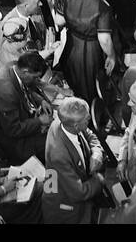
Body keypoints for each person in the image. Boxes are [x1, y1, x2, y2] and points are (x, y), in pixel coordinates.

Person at [41, 96, 107, 225]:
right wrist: (99, 180)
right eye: (87, 119)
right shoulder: (59, 155)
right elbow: (79, 192)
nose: (90, 120)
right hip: (67, 209)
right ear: (76, 125)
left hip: (68, 187)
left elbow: (89, 134)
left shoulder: (66, 123)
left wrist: (97, 153)